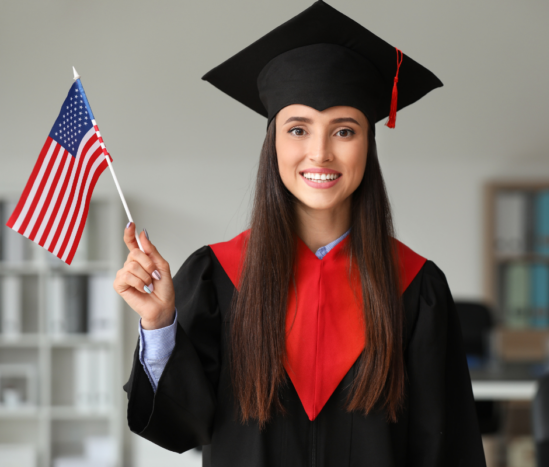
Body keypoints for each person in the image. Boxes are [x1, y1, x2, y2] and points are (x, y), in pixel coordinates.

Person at [116, 2, 486, 466]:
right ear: (273, 142)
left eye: (344, 131)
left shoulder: (416, 288)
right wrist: (160, 324)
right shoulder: (217, 277)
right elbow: (180, 427)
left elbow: (446, 449)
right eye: (297, 129)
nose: (320, 153)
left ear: (368, 144)